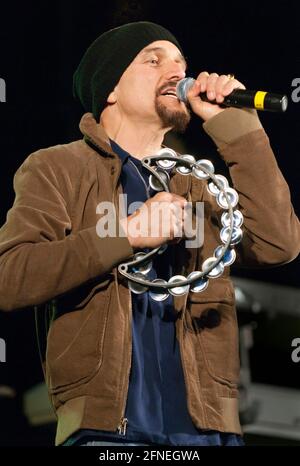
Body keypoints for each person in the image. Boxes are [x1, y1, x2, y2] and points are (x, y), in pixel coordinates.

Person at [0, 21, 299, 447]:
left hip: (209, 431)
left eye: (181, 62)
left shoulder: (197, 186)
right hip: (107, 433)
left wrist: (239, 129)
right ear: (110, 90)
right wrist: (126, 234)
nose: (177, 72)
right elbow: (10, 277)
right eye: (153, 60)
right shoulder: (58, 168)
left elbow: (278, 244)